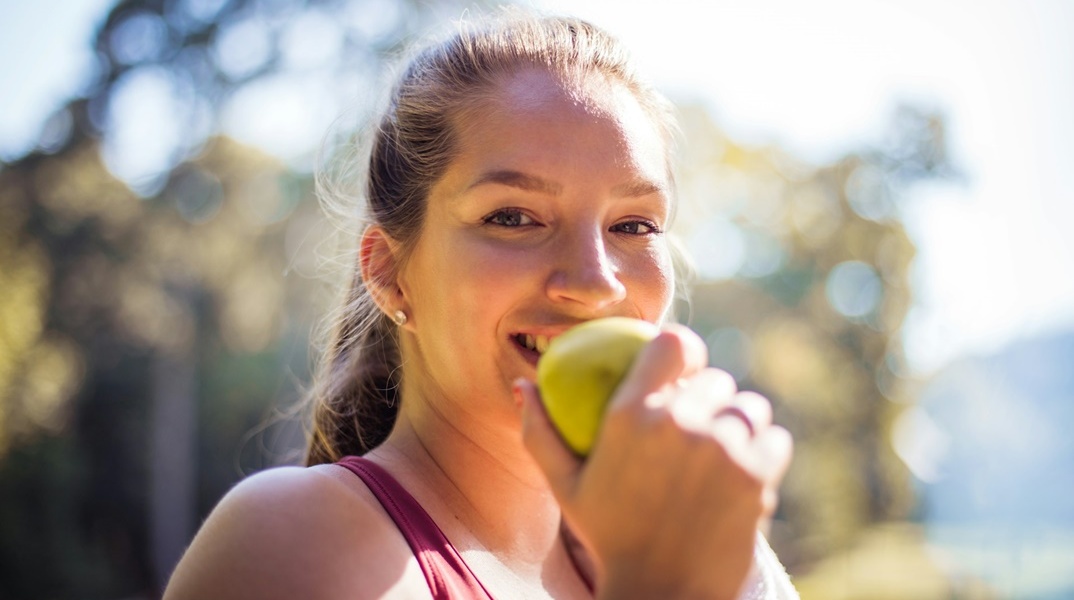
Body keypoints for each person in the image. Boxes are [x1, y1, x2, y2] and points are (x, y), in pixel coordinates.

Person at [164, 9, 796, 600]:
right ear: (390, 274)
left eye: (634, 225)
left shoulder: (704, 551)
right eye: (513, 217)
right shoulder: (295, 541)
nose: (595, 282)